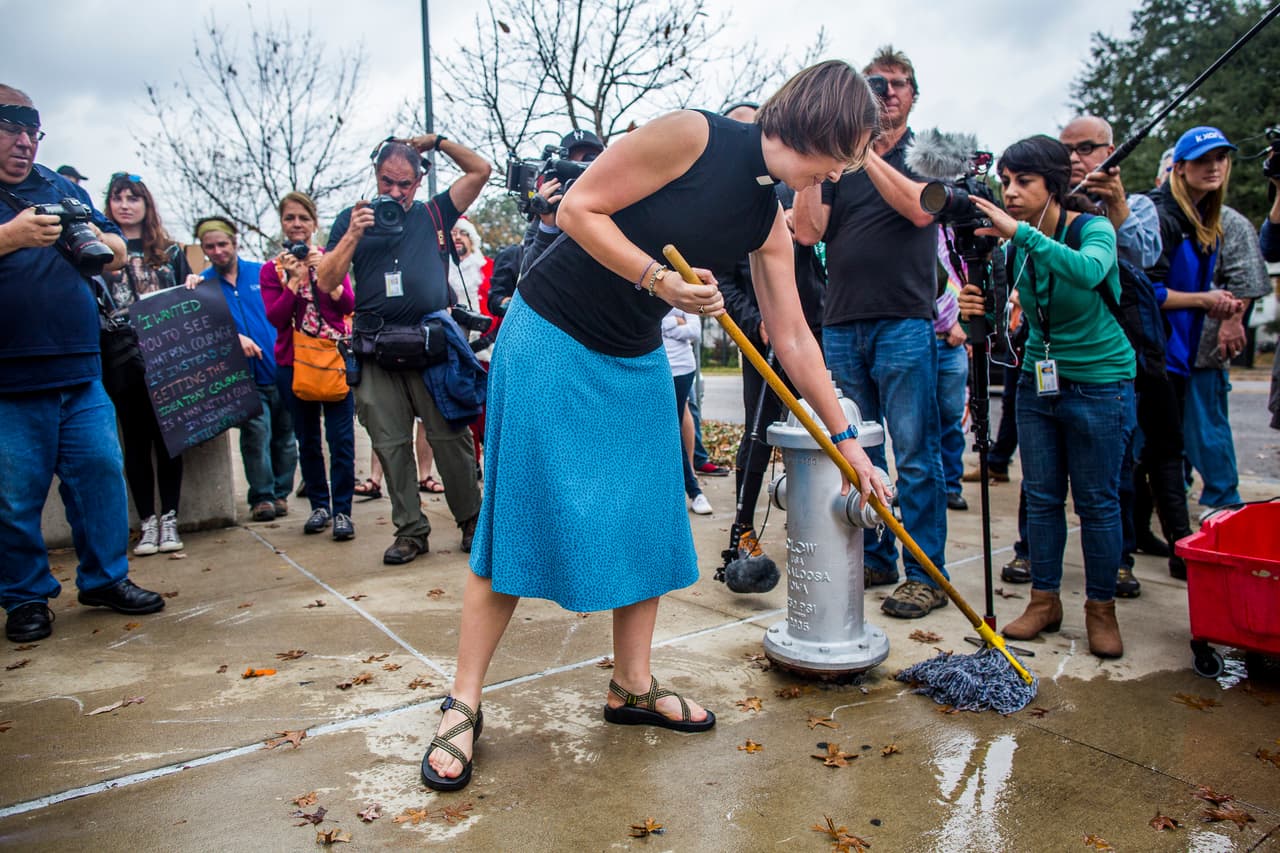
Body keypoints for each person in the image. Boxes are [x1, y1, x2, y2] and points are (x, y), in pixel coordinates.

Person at [421, 60, 888, 792]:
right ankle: (464, 701)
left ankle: (631, 687)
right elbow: (578, 207)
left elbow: (793, 338)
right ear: (825, 126)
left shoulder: (768, 218)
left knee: (649, 520)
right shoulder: (692, 136)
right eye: (852, 149)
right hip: (552, 335)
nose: (849, 168)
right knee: (516, 517)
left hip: (633, 356)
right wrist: (659, 281)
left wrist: (849, 447)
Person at [959, 135, 1136, 659]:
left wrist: (1020, 235)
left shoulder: (1092, 229)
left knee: (1098, 504)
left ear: (1054, 185)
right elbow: (998, 325)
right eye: (1007, 181)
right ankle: (1044, 601)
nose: (1010, 192)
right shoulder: (1014, 248)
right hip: (1040, 383)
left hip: (1102, 383)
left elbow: (1087, 271)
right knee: (1040, 499)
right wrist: (977, 309)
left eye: (1024, 182)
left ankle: (1101, 608)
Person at [0, 85, 164, 642]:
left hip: (80, 365)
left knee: (99, 474)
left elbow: (116, 249)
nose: (24, 142)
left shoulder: (58, 185)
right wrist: (9, 237)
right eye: (12, 130)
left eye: (32, 132)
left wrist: (100, 239)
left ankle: (104, 579)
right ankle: (24, 596)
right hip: (9, 377)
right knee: (14, 494)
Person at [793, 45, 949, 619]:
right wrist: (821, 156)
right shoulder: (841, 161)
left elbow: (920, 210)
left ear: (913, 95)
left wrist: (867, 152)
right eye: (874, 83)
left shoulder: (928, 151)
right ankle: (878, 554)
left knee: (914, 450)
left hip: (905, 320)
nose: (886, 92)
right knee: (860, 448)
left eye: (897, 84)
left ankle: (926, 570)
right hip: (841, 321)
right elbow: (808, 232)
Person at [316, 135, 490, 565]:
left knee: (450, 437)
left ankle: (472, 521)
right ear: (376, 176)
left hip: (431, 344)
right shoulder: (351, 219)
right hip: (375, 349)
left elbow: (480, 171)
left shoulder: (434, 211)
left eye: (405, 184)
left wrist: (439, 142)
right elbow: (325, 280)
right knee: (390, 444)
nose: (394, 192)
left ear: (418, 182)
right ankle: (411, 531)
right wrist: (354, 234)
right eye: (387, 182)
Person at [1059, 115, 1165, 597]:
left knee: (1114, 471)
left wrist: (1115, 202)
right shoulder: (1051, 207)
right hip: (1057, 354)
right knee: (1045, 482)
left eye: (1087, 147)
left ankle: (1117, 563)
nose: (1076, 158)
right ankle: (1034, 561)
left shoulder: (1136, 204)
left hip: (1120, 346)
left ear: (1111, 150)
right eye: (1067, 150)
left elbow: (1143, 255)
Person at [1149, 127, 1245, 512]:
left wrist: (1227, 310)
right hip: (1158, 351)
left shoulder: (1212, 219)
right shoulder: (1162, 213)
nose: (1214, 167)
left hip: (1185, 350)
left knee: (1170, 444)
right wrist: (1205, 299)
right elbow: (1148, 291)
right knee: (1160, 446)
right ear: (1180, 167)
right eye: (1203, 160)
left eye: (1220, 158)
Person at [101, 172, 192, 555]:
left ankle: (170, 517)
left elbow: (192, 296)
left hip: (167, 357)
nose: (125, 204)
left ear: (146, 204)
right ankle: (147, 521)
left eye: (133, 197)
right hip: (123, 361)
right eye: (118, 198)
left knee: (169, 439)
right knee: (134, 441)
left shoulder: (170, 252)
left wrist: (194, 288)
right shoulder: (99, 251)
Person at [186, 216, 297, 521]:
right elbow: (200, 330)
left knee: (286, 436)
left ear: (234, 242)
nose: (218, 251)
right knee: (256, 434)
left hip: (279, 366)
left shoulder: (262, 273)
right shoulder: (204, 284)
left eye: (222, 244)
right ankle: (261, 496)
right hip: (243, 376)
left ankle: (281, 492)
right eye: (210, 247)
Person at [261, 191, 357, 541]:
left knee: (341, 440)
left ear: (314, 223)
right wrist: (293, 281)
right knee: (307, 440)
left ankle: (343, 511)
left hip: (333, 362)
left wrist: (323, 275)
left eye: (303, 218)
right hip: (293, 364)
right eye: (290, 218)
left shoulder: (332, 260)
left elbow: (348, 303)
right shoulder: (271, 270)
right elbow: (275, 316)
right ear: (283, 224)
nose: (297, 224)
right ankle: (320, 505)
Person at [662, 306, 712, 514]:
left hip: (682, 369)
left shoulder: (682, 283)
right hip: (656, 367)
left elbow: (695, 331)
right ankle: (687, 486)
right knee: (669, 425)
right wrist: (674, 322)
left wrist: (668, 325)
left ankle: (694, 490)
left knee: (673, 425)